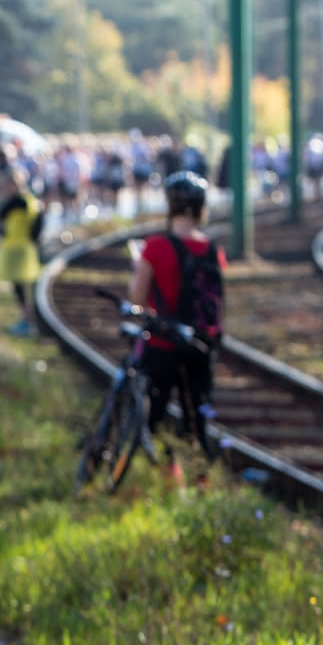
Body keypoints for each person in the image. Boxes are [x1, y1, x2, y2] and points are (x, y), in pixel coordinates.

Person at [129, 171, 225, 485]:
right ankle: (201, 480)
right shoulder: (212, 249)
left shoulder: (155, 247)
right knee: (197, 417)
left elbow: (137, 298)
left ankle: (167, 477)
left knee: (155, 416)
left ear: (169, 206)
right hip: (200, 344)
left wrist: (137, 268)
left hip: (163, 344)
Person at [0, 168, 43, 337]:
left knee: (21, 288)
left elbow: (0, 220)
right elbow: (38, 226)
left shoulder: (16, 203)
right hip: (25, 247)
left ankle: (27, 322)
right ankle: (28, 321)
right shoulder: (32, 202)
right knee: (25, 287)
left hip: (16, 249)